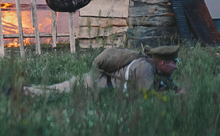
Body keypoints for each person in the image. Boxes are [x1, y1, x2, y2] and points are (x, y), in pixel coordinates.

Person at [23, 45, 183, 96]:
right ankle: (19, 92)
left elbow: (167, 87)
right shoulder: (146, 68)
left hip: (95, 85)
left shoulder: (157, 70)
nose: (176, 66)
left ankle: (24, 91)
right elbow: (148, 96)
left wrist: (176, 90)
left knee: (53, 91)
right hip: (90, 85)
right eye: (174, 62)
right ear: (162, 63)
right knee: (53, 92)